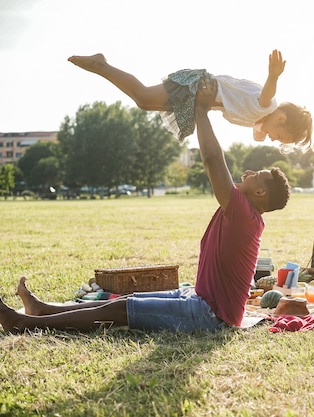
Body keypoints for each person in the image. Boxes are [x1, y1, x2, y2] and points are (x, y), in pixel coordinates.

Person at [0, 81, 291, 333]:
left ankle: (25, 324)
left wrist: (201, 110)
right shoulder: (243, 211)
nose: (248, 173)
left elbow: (213, 161)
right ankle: (42, 310)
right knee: (127, 300)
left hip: (210, 316)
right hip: (198, 299)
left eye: (256, 175)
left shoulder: (245, 215)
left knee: (124, 309)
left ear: (261, 192)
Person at [68, 50, 312, 151]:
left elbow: (259, 135)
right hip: (196, 86)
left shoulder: (260, 119)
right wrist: (273, 75)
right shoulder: (266, 104)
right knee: (142, 96)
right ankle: (101, 64)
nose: (273, 139)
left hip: (197, 96)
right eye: (279, 135)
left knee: (143, 102)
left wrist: (276, 135)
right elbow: (269, 94)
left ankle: (102, 66)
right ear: (280, 117)